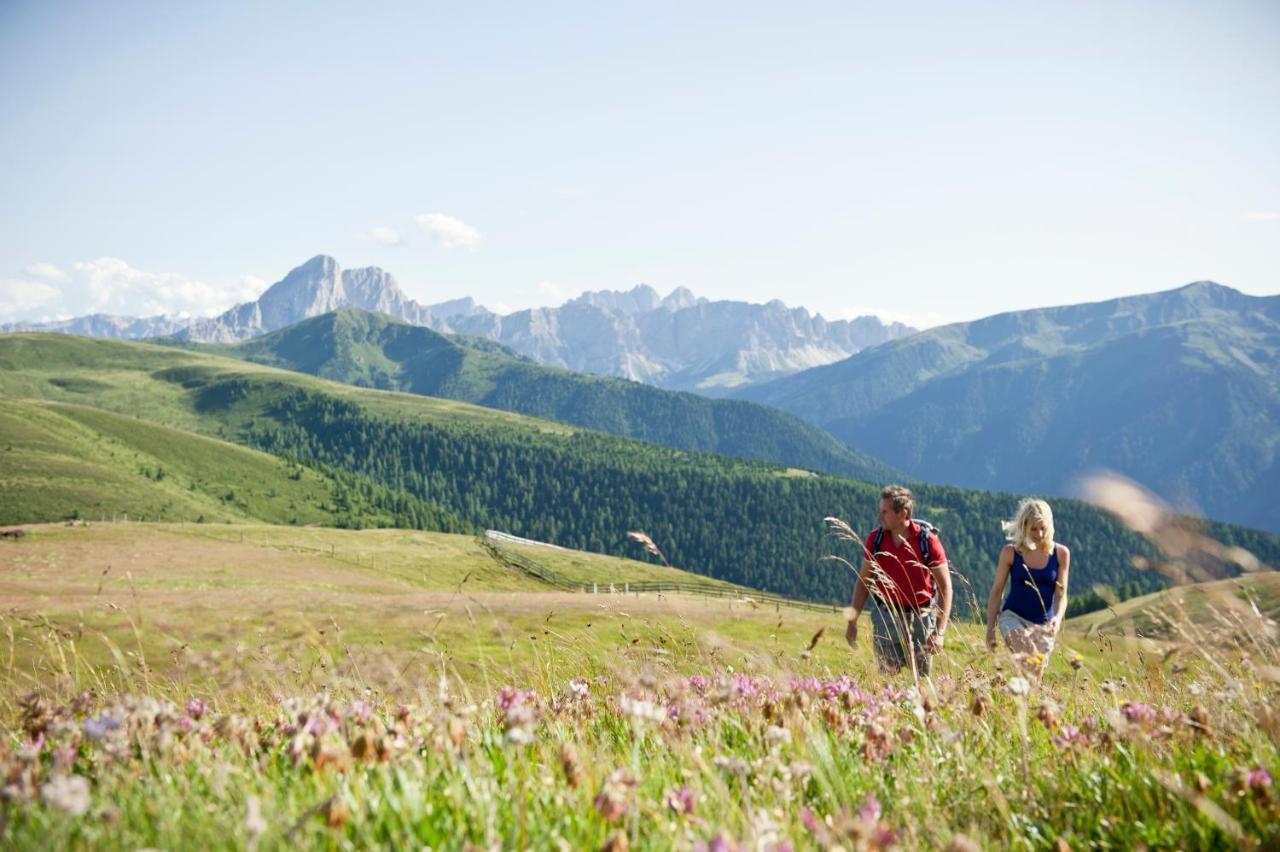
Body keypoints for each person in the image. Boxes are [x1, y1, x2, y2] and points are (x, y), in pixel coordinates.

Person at [845, 484, 953, 677]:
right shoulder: (875, 539)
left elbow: (945, 588)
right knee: (887, 682)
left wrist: (939, 632)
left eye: (885, 512)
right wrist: (852, 622)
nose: (880, 516)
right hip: (886, 616)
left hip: (921, 617)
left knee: (921, 683)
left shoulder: (927, 541)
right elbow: (864, 582)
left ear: (903, 513)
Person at [985, 498, 1071, 665]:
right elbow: (997, 591)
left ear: (1050, 527)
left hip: (1045, 625)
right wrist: (990, 629)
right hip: (1013, 617)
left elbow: (1061, 595)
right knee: (1029, 657)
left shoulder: (1061, 554)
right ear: (1024, 526)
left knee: (1033, 677)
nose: (1039, 534)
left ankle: (1012, 690)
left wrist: (1058, 618)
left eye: (1042, 529)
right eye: (1033, 529)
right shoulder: (1011, 552)